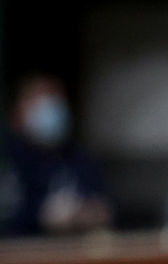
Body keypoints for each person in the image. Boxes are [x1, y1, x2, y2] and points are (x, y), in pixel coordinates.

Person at [2, 74, 112, 236]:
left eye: (54, 98)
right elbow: (9, 216)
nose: (48, 109)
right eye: (38, 101)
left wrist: (92, 213)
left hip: (73, 252)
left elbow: (106, 205)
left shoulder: (78, 157)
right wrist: (41, 216)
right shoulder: (7, 159)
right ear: (17, 114)